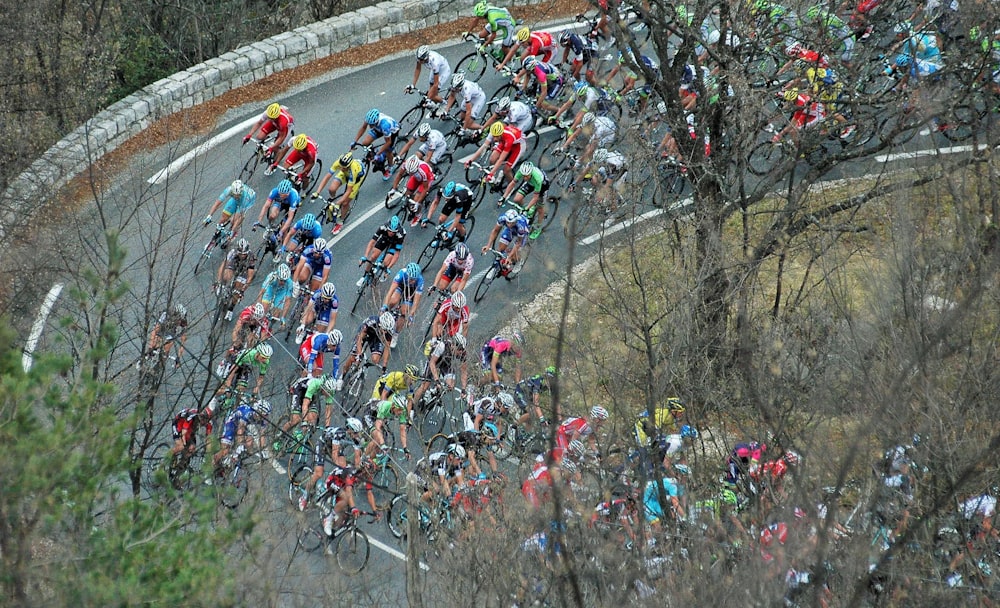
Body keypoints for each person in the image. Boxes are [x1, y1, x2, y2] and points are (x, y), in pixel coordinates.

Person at [297, 421, 370, 513]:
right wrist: (337, 468)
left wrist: (359, 470)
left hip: (337, 448)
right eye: (355, 433)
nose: (357, 435)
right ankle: (304, 497)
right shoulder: (339, 433)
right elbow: (334, 454)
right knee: (319, 472)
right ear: (350, 430)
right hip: (323, 444)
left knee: (343, 468)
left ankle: (327, 488)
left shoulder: (356, 439)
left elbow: (357, 459)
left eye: (358, 433)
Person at [279, 376, 341, 470]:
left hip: (313, 394)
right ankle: (280, 436)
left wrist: (327, 427)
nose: (327, 395)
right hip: (300, 390)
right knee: (296, 420)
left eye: (329, 393)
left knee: (313, 418)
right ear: (323, 387)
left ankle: (300, 439)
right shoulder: (315, 384)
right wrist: (304, 421)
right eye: (326, 392)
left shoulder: (330, 391)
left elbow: (328, 410)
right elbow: (305, 405)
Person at [207, 343, 274, 417]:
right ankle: (214, 398)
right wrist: (228, 383)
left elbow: (261, 377)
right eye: (263, 357)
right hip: (234, 363)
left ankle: (234, 407)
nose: (265, 360)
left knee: (241, 389)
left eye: (267, 358)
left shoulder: (265, 362)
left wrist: (257, 387)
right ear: (258, 353)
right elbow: (233, 369)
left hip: (245, 368)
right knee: (225, 387)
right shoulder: (248, 355)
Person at [310, 152, 367, 236]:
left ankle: (340, 221)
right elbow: (327, 177)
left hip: (356, 178)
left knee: (345, 203)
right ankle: (335, 201)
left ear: (348, 166)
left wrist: (338, 203)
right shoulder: (339, 163)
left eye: (344, 167)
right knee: (331, 189)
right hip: (345, 174)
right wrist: (317, 192)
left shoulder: (353, 170)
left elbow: (348, 191)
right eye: (341, 166)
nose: (341, 168)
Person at [211, 399, 272, 473]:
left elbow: (263, 435)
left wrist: (262, 450)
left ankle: (231, 462)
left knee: (249, 443)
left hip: (244, 425)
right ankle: (210, 465)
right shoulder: (248, 413)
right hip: (232, 423)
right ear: (259, 412)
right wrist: (241, 444)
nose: (266, 417)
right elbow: (240, 429)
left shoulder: (264, 419)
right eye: (265, 415)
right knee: (225, 450)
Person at [412, 333, 469, 409]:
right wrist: (436, 380)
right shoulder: (442, 346)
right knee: (425, 385)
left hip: (446, 363)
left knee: (451, 385)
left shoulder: (462, 353)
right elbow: (432, 363)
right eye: (459, 349)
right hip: (434, 360)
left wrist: (464, 389)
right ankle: (412, 407)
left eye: (462, 350)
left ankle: (434, 392)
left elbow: (464, 372)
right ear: (453, 345)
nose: (461, 352)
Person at [338, 312, 395, 384]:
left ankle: (362, 368)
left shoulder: (389, 332)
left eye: (387, 331)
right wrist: (359, 354)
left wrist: (384, 366)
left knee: (376, 360)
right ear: (380, 324)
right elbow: (359, 339)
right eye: (384, 330)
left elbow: (387, 348)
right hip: (366, 333)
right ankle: (342, 376)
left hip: (377, 337)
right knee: (353, 358)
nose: (386, 332)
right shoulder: (370, 323)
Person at [465, 120, 524, 185]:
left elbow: (500, 159)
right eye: (494, 136)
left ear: (501, 133)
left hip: (517, 147)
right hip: (503, 141)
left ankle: (511, 186)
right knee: (492, 159)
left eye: (497, 136)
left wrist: (491, 174)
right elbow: (484, 146)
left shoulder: (509, 138)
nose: (495, 139)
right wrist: (470, 160)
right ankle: (494, 177)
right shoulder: (494, 132)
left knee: (506, 170)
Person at [502, 161, 550, 240]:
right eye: (523, 176)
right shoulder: (522, 171)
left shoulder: (538, 179)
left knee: (539, 208)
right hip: (530, 183)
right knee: (517, 199)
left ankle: (538, 228)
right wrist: (503, 197)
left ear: (530, 173)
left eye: (526, 176)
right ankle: (527, 213)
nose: (524, 178)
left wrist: (527, 208)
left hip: (542, 186)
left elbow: (535, 197)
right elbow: (512, 183)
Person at [383, 262, 425, 347]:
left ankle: (396, 334)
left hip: (411, 292)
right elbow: (390, 292)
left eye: (414, 279)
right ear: (407, 274)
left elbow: (416, 302)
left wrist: (411, 315)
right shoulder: (402, 273)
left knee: (404, 312)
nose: (413, 281)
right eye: (411, 279)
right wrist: (384, 306)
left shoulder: (420, 281)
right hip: (401, 286)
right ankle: (387, 313)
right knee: (393, 301)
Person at [352, 108, 401, 180]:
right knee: (365, 143)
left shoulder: (385, 125)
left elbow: (388, 142)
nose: (370, 126)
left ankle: (391, 167)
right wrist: (355, 141)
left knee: (388, 151)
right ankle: (377, 154)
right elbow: (363, 128)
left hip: (391, 132)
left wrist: (378, 153)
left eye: (371, 124)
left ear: (376, 121)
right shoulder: (369, 119)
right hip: (378, 128)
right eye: (369, 124)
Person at [216, 238, 257, 321]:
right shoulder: (233, 252)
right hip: (234, 265)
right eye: (240, 253)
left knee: (238, 288)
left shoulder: (251, 257)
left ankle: (230, 309)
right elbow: (223, 265)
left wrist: (242, 290)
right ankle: (224, 287)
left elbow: (250, 276)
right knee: (227, 274)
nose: (242, 256)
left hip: (244, 271)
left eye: (244, 254)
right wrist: (218, 281)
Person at [389, 155, 436, 227]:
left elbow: (425, 188)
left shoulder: (423, 171)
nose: (410, 174)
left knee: (417, 198)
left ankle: (418, 214)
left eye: (412, 172)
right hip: (416, 177)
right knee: (407, 193)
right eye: (409, 172)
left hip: (427, 179)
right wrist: (393, 189)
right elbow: (399, 175)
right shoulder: (406, 164)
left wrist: (417, 203)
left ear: (417, 167)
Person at [481, 208, 530, 274]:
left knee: (514, 255)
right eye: (507, 222)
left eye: (512, 223)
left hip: (522, 234)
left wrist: (509, 257)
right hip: (510, 230)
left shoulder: (521, 227)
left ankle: (518, 261)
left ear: (515, 221)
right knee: (500, 249)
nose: (509, 224)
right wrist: (488, 245)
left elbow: (518, 243)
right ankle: (496, 267)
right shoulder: (502, 218)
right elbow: (495, 231)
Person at [365, 394, 411, 460]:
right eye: (399, 410)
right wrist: (382, 443)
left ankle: (369, 461)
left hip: (381, 419)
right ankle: (363, 459)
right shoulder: (385, 406)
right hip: (370, 415)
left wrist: (405, 448)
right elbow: (377, 426)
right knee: (378, 439)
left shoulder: (402, 412)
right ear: (393, 406)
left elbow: (402, 430)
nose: (400, 412)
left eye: (402, 410)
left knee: (379, 448)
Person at [321, 465, 362, 536]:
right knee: (346, 499)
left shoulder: (360, 475)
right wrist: (354, 508)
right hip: (333, 481)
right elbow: (348, 492)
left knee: (345, 514)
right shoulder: (351, 475)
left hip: (342, 484)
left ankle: (333, 530)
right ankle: (328, 519)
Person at [144, 302, 188, 368]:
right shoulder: (166, 315)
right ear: (175, 315)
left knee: (168, 346)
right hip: (160, 328)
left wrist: (178, 358)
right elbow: (154, 331)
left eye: (180, 320)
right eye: (179, 319)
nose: (179, 321)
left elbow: (183, 342)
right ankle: (147, 357)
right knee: (155, 343)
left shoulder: (183, 322)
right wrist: (150, 347)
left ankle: (159, 367)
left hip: (170, 331)